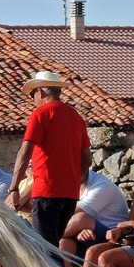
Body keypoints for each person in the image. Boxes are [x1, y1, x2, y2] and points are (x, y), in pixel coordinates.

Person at [7, 71, 91, 250]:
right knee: (52, 246)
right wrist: (72, 177)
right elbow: (87, 159)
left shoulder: (40, 114)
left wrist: (14, 187)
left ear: (41, 92)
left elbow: (25, 152)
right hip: (69, 195)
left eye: (33, 94)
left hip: (46, 192)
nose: (33, 99)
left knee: (46, 250)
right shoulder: (76, 118)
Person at [58, 167, 130, 267]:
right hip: (86, 234)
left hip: (113, 237)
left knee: (81, 218)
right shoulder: (66, 183)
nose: (76, 169)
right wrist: (76, 233)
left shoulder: (102, 185)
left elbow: (70, 215)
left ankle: (43, 239)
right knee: (65, 243)